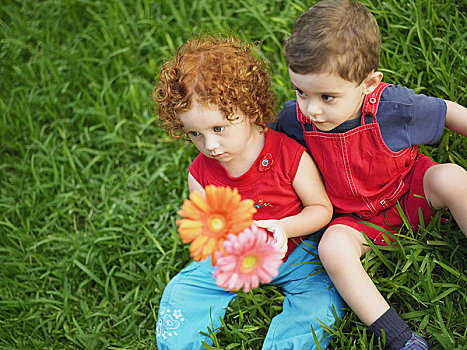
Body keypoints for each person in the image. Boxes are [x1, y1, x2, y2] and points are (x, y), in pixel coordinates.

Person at [270, 0, 467, 349]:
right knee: (331, 248)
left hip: (409, 193)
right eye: (300, 91)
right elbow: (266, 149)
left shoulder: (393, 109)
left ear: (368, 83)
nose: (311, 109)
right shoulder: (293, 119)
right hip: (357, 221)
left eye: (327, 97)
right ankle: (400, 339)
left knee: (451, 178)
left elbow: (448, 112)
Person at [153, 36, 345, 349]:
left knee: (323, 300)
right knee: (182, 290)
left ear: (250, 109)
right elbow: (207, 228)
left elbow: (321, 209)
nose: (210, 145)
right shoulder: (200, 175)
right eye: (195, 134)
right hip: (233, 257)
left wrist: (283, 227)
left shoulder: (288, 156)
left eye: (218, 129)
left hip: (295, 252)